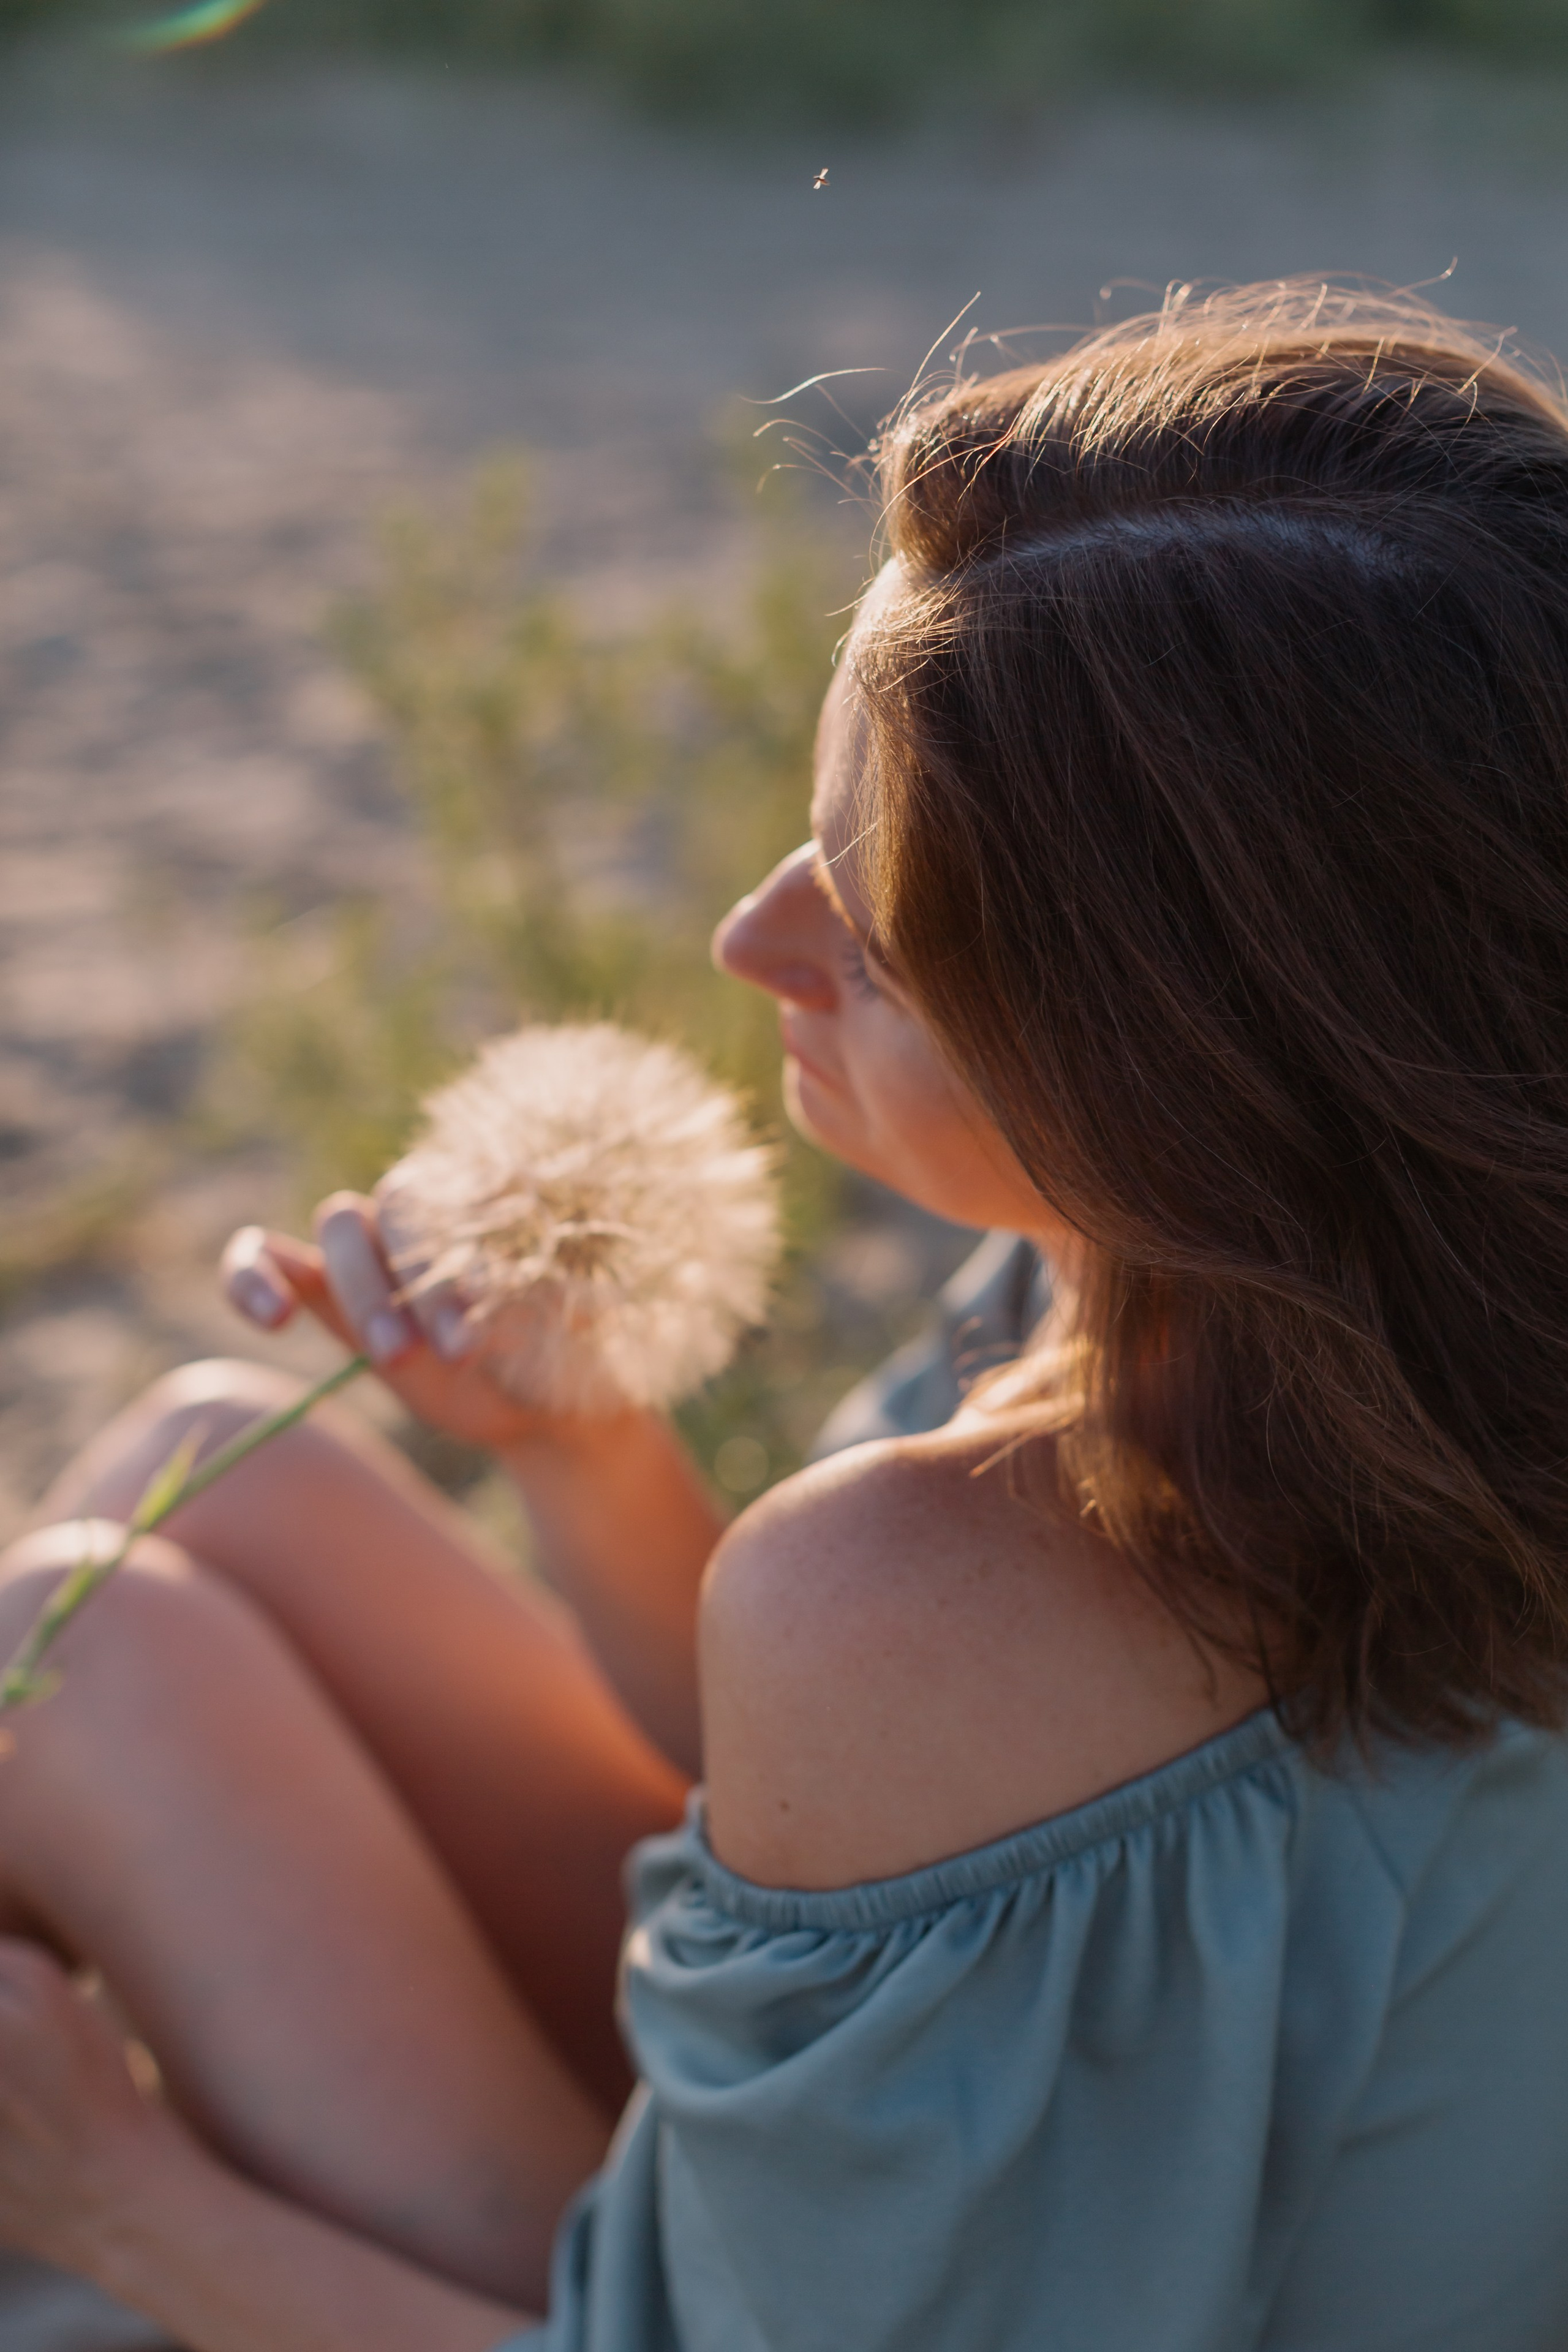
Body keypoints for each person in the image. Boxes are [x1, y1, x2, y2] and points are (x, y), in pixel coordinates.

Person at [2, 280, 1568, 2352]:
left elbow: (896, 1706)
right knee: (202, 1473)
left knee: (65, 1652)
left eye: (882, 932)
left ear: (1178, 1072)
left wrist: (118, 2203)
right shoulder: (1306, 1289)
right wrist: (576, 1447)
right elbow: (895, 1776)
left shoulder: (955, 1570)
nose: (754, 938)